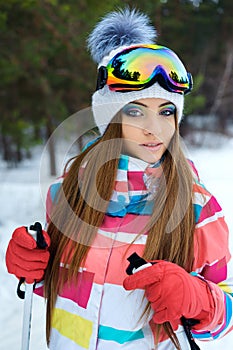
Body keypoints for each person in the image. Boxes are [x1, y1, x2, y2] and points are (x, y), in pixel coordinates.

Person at [5, 8, 233, 350]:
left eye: (166, 111)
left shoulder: (196, 206)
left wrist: (198, 299)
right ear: (109, 118)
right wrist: (35, 267)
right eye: (135, 111)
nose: (154, 129)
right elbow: (70, 291)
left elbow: (226, 311)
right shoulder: (67, 193)